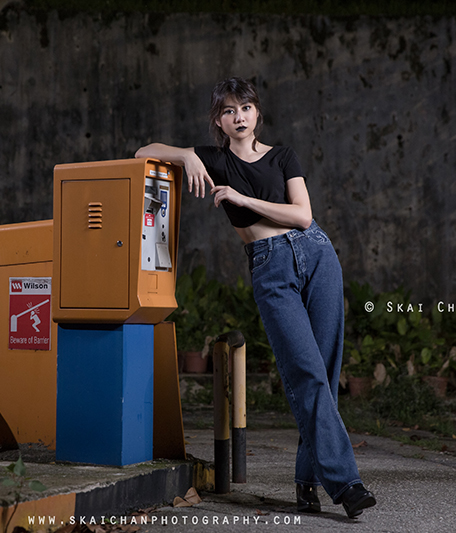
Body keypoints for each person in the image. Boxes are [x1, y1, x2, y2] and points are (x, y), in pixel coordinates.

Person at [135, 77, 376, 519]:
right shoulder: (213, 160)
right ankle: (347, 484)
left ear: (257, 113)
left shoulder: (283, 156)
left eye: (245, 107)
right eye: (228, 111)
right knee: (306, 372)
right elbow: (141, 153)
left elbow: (303, 215)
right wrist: (186, 154)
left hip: (317, 256)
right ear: (219, 122)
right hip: (270, 266)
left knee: (324, 373)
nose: (239, 116)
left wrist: (242, 197)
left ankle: (307, 481)